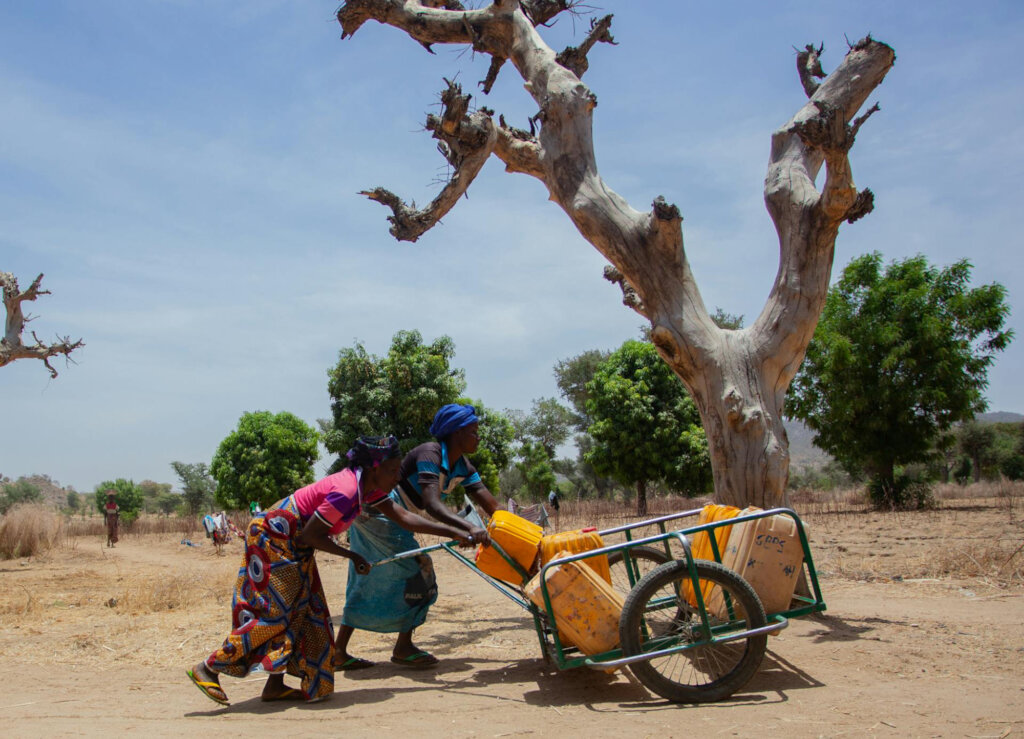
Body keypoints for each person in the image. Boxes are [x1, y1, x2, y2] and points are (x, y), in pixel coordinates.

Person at [186, 435, 468, 706]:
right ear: (375, 468)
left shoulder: (370, 489)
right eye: (394, 470)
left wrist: (458, 530)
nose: (398, 477)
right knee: (274, 614)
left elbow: (406, 518)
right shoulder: (346, 491)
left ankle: (274, 686)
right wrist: (352, 555)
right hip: (274, 537)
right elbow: (311, 535)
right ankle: (209, 668)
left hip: (294, 542)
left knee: (310, 613)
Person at [335, 403, 500, 670]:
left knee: (373, 576)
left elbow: (493, 507)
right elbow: (433, 505)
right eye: (473, 431)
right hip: (377, 512)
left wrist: (513, 525)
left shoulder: (464, 467)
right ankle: (401, 647)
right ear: (456, 433)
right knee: (417, 571)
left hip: (397, 516)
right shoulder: (429, 453)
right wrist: (468, 529)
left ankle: (342, 650)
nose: (478, 437)